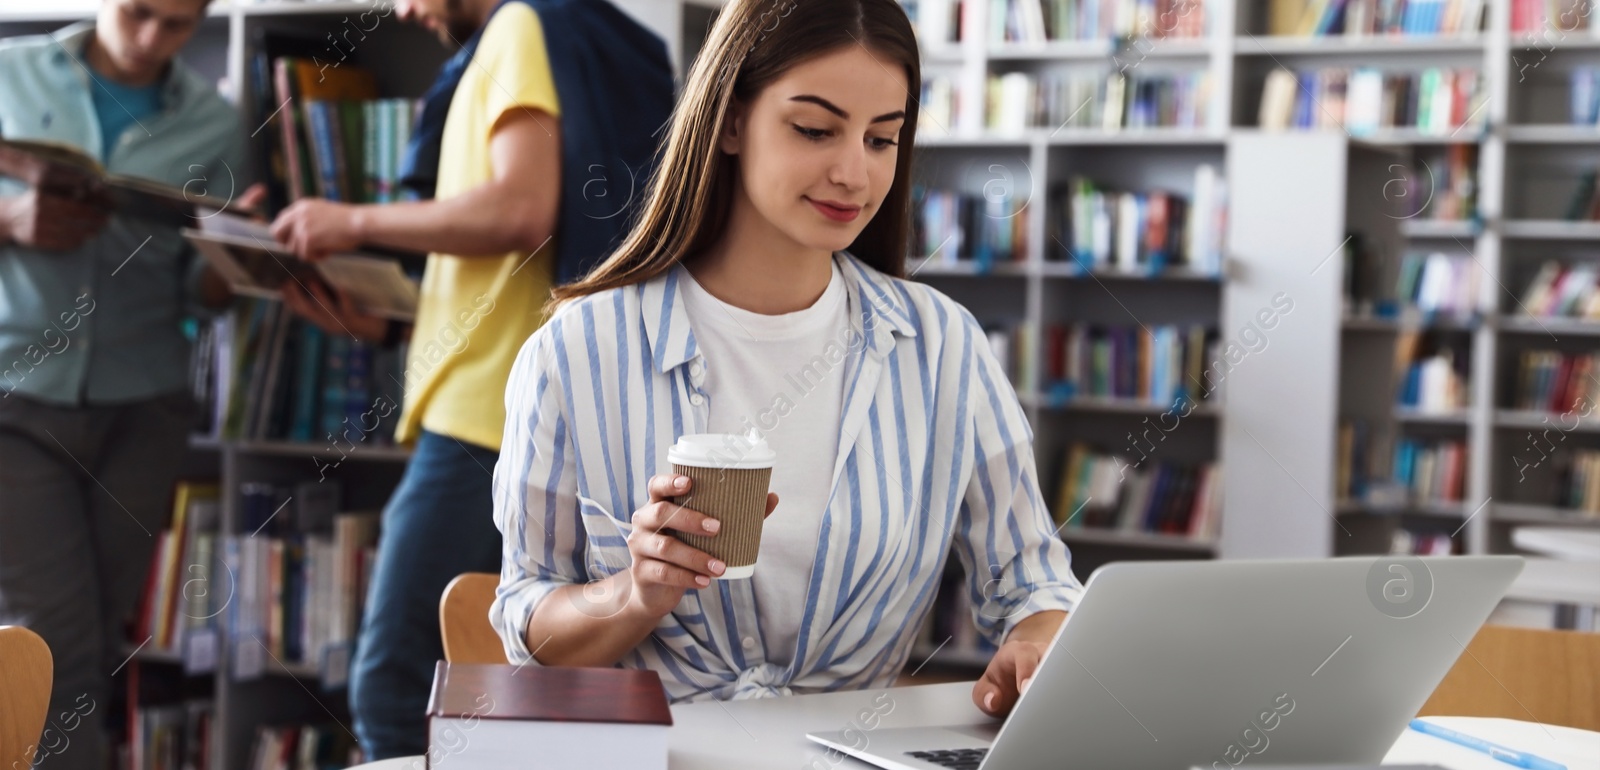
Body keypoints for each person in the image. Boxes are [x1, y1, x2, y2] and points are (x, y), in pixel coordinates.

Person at [490, 0, 1084, 720]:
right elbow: (528, 627)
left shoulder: (943, 347)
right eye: (814, 129)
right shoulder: (575, 353)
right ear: (732, 121)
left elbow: (1034, 580)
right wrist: (634, 591)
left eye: (882, 140)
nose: (854, 174)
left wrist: (1040, 632)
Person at [267, 0, 673, 757]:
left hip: (483, 421)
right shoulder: (549, 34)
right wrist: (383, 326)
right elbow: (511, 272)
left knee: (396, 682)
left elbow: (521, 209)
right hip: (514, 407)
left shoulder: (519, 25)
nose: (405, 9)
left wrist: (352, 222)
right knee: (531, 693)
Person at [0, 0, 252, 768]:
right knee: (49, 635)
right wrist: (12, 222)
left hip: (143, 407)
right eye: (138, 13)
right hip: (18, 399)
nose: (150, 38)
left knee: (104, 636)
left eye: (176, 24)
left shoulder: (216, 122)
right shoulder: (9, 72)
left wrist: (232, 260)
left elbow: (195, 299)